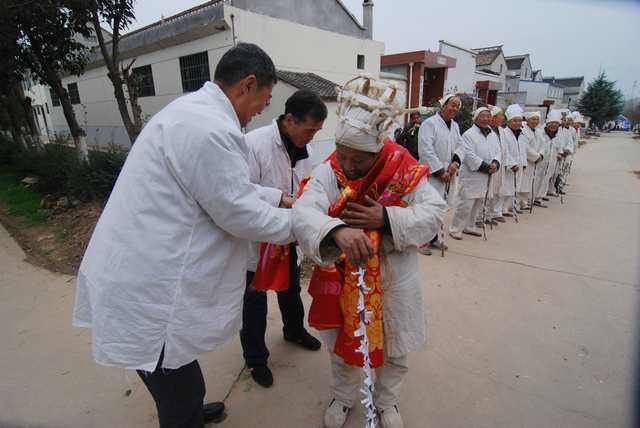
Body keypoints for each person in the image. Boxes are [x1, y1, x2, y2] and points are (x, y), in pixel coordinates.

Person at [72, 43, 295, 428]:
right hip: (147, 288)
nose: (263, 109)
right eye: (265, 99)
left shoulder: (194, 113)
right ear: (248, 84)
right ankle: (186, 416)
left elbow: (222, 187)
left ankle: (188, 410)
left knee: (176, 369)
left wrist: (280, 198)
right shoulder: (209, 128)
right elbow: (237, 213)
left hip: (138, 270)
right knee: (179, 386)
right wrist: (312, 226)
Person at [292, 76, 446, 428]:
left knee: (395, 344)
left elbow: (435, 213)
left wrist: (386, 217)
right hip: (343, 274)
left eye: (356, 159)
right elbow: (304, 210)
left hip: (395, 276)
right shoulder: (331, 167)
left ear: (377, 150)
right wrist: (338, 230)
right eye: (342, 154)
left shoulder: (403, 166)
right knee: (341, 345)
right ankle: (344, 397)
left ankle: (386, 402)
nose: (346, 163)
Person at [241, 90, 326, 387]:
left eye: (317, 131)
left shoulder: (306, 150)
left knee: (290, 288)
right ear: (289, 120)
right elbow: (240, 191)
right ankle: (255, 359)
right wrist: (282, 200)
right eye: (309, 129)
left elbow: (307, 185)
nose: (312, 137)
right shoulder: (254, 144)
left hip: (287, 234)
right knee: (254, 300)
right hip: (258, 236)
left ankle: (294, 330)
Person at [449, 107, 501, 240]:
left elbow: (498, 151)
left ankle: (470, 226)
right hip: (472, 175)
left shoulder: (492, 134)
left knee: (478, 202)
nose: (485, 119)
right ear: (476, 118)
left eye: (488, 116)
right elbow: (468, 155)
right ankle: (455, 228)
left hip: (486, 175)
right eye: (482, 116)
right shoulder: (468, 134)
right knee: (465, 203)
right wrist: (485, 166)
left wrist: (495, 163)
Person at [418, 94, 462, 248]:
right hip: (433, 173)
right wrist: (440, 171)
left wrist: (455, 163)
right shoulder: (429, 124)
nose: (454, 108)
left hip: (449, 173)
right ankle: (421, 240)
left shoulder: (455, 126)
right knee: (428, 206)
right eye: (452, 104)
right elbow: (425, 150)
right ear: (443, 106)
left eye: (457, 106)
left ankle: (435, 237)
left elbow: (460, 146)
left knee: (440, 207)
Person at [487, 106, 507, 223]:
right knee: (488, 190)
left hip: (500, 164)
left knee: (496, 190)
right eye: (500, 115)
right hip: (491, 164)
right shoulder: (488, 130)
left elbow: (505, 149)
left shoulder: (501, 131)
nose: (502, 117)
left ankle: (490, 215)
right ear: (494, 118)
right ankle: (482, 216)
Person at [540, 110, 566, 198]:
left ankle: (540, 196)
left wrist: (560, 153)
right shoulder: (541, 132)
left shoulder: (558, 133)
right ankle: (533, 197)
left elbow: (560, 145)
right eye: (552, 123)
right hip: (541, 160)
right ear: (548, 123)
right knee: (538, 178)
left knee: (548, 176)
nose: (554, 125)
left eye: (556, 123)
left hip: (552, 159)